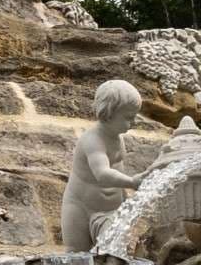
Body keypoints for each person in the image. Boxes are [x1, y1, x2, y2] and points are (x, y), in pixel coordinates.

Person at [59, 80, 141, 252]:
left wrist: (126, 201)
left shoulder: (118, 139)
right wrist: (132, 182)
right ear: (108, 114)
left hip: (110, 210)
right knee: (75, 254)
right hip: (80, 207)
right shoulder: (93, 140)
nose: (134, 122)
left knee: (112, 252)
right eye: (128, 117)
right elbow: (102, 174)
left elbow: (118, 169)